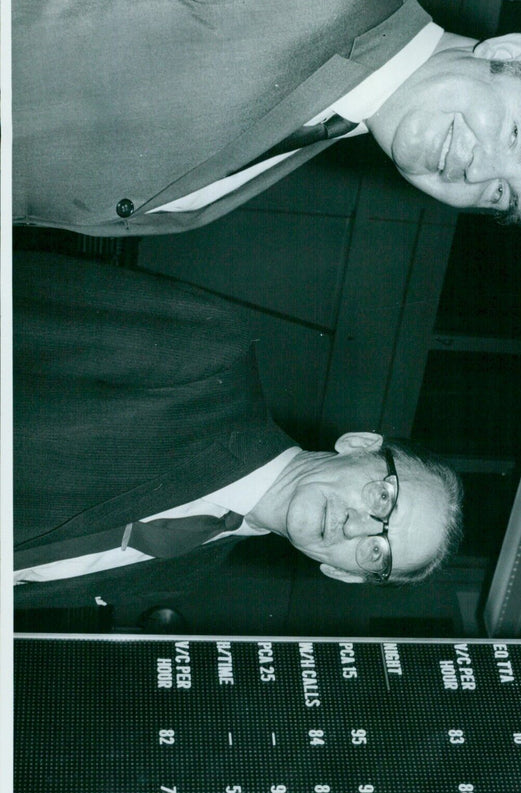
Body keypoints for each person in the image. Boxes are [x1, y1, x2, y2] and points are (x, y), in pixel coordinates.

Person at [10, 0, 521, 236]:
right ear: (509, 50)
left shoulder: (317, 134)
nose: (476, 172)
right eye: (517, 134)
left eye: (500, 195)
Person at [13, 252, 463, 632]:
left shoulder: (187, 571)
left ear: (344, 574)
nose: (354, 526)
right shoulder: (209, 354)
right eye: (383, 498)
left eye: (376, 550)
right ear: (358, 445)